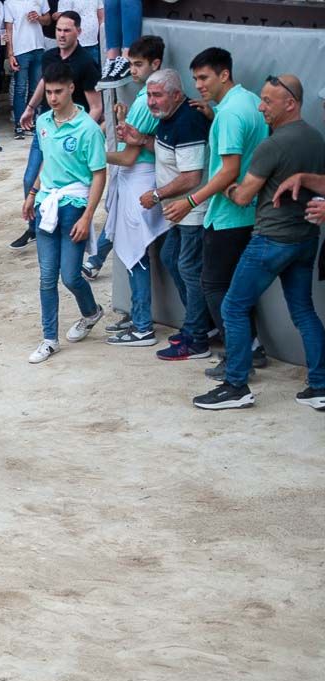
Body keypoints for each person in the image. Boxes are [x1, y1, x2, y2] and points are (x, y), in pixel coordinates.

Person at [193, 74, 325, 411]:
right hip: (306, 238)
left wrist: (224, 184)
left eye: (268, 101)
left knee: (233, 306)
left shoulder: (272, 145)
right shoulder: (315, 138)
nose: (260, 106)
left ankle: (236, 385)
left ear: (290, 103)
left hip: (270, 239)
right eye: (261, 99)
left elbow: (242, 197)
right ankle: (321, 385)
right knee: (303, 311)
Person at [164, 48, 269, 382]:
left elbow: (228, 170)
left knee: (216, 289)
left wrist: (189, 201)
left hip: (227, 217)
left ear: (224, 75)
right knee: (233, 291)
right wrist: (213, 115)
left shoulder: (230, 115)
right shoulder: (250, 101)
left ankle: (241, 357)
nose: (199, 85)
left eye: (204, 77)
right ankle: (249, 349)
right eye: (195, 78)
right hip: (250, 212)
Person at [118, 68, 212, 361]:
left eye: (157, 95)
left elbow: (191, 177)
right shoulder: (168, 118)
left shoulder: (188, 120)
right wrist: (139, 139)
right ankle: (202, 326)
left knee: (187, 267)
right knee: (173, 258)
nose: (151, 102)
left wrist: (157, 194)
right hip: (177, 212)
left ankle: (198, 337)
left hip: (193, 211)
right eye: (148, 95)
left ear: (176, 94)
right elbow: (162, 149)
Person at [20, 62, 106, 363]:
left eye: (58, 92)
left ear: (71, 89)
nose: (53, 98)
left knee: (70, 276)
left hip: (74, 207)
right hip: (47, 204)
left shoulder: (88, 129)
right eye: (49, 92)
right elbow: (48, 162)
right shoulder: (43, 122)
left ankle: (91, 312)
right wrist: (32, 193)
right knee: (46, 278)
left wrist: (87, 216)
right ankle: (49, 338)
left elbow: (98, 174)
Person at [9, 9, 100, 250]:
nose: (61, 34)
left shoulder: (86, 63)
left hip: (72, 130)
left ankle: (57, 225)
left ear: (78, 32)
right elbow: (43, 83)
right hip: (48, 126)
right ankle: (35, 227)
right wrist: (30, 108)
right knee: (30, 178)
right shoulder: (50, 57)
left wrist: (81, 133)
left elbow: (96, 107)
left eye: (67, 30)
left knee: (61, 182)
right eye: (58, 30)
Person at [98, 35, 166, 347]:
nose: (132, 70)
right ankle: (139, 317)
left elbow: (127, 156)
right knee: (137, 255)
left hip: (140, 181)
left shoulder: (145, 100)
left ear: (156, 64)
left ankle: (142, 326)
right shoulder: (144, 99)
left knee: (136, 256)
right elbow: (135, 145)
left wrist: (92, 157)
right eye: (131, 63)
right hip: (143, 179)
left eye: (138, 64)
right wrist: (124, 120)